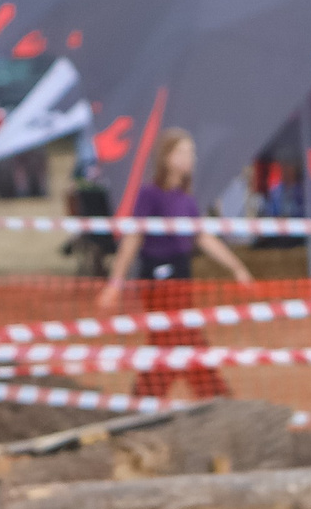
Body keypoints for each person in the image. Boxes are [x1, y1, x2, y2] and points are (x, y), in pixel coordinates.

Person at [100, 128, 252, 399]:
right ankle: (213, 396)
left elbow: (203, 237)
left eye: (191, 152)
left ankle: (165, 398)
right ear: (167, 157)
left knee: (177, 341)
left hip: (182, 273)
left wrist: (236, 267)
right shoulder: (150, 194)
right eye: (182, 152)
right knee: (176, 339)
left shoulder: (186, 199)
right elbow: (133, 239)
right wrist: (115, 282)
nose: (189, 158)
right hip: (158, 275)